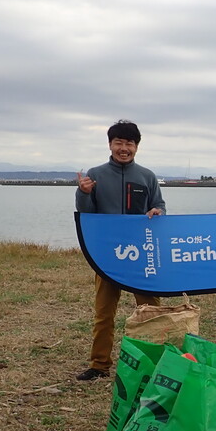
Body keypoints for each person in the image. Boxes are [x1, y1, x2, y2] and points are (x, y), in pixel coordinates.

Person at [74, 120, 166, 381]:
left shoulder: (147, 176)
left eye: (129, 143)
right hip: (106, 255)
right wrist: (83, 193)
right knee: (104, 312)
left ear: (136, 147)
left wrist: (157, 212)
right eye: (119, 143)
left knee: (150, 312)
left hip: (143, 254)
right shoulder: (96, 174)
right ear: (110, 144)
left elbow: (159, 205)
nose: (123, 148)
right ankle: (99, 365)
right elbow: (87, 214)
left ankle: (151, 363)